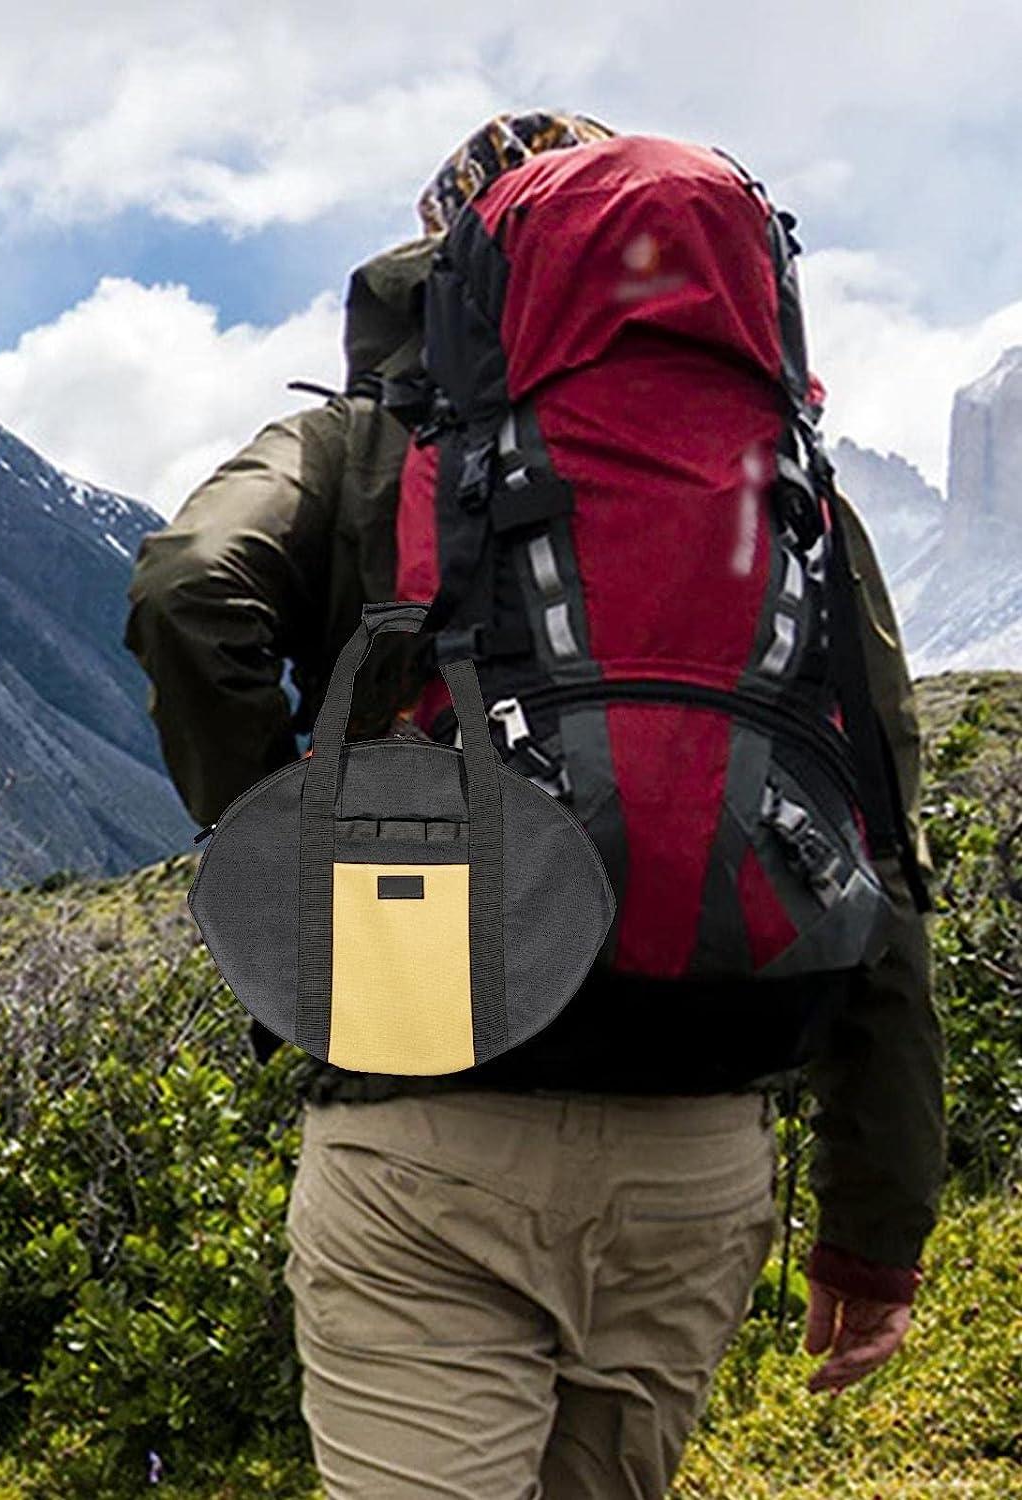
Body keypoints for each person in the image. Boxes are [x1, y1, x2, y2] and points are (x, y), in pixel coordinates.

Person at [127, 112, 944, 1498]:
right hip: (697, 1152)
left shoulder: (362, 443)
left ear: (452, 263)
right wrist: (880, 1217)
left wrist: (289, 847)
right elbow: (875, 828)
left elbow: (187, 588)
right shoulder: (784, 487)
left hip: (427, 1116)